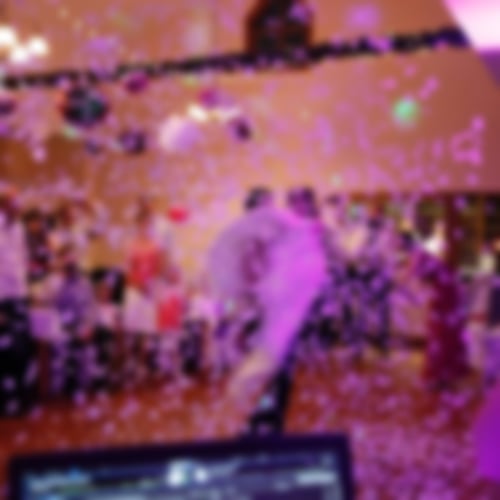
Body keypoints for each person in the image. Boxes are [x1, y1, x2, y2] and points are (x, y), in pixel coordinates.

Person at [208, 188, 327, 433]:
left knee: (278, 373)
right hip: (261, 313)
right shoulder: (252, 239)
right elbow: (249, 276)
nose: (274, 210)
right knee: (266, 370)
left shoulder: (272, 236)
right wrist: (257, 295)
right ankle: (256, 422)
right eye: (267, 205)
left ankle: (265, 421)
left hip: (275, 312)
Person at [0, 186, 37, 416]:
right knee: (4, 351)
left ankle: (24, 399)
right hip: (2, 298)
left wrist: (27, 290)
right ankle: (7, 402)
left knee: (23, 349)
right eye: (14, 202)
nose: (19, 206)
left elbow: (22, 260)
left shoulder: (19, 229)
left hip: (19, 297)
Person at [411, 248, 469, 390]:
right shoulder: (442, 270)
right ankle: (441, 377)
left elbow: (444, 299)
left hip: (447, 313)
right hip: (446, 313)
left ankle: (441, 377)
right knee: (441, 343)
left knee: (443, 344)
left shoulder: (444, 274)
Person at [46, 244, 96, 395]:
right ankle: (61, 385)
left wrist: (88, 326)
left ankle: (80, 384)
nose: (69, 262)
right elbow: (47, 304)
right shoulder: (54, 281)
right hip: (59, 326)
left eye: (72, 258)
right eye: (65, 258)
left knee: (82, 345)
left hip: (80, 325)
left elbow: (90, 306)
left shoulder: (84, 282)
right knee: (61, 343)